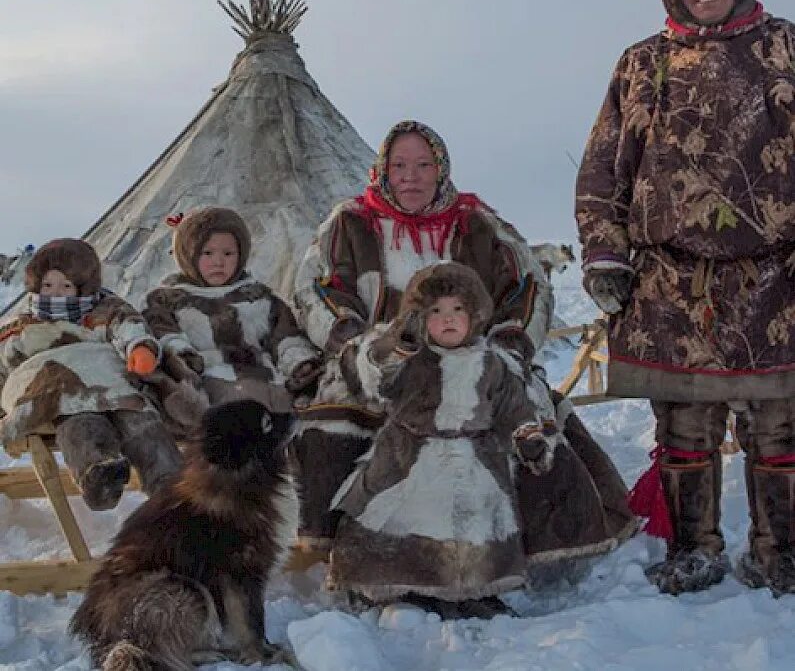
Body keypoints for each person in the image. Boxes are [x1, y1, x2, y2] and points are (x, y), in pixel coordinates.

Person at [293, 119, 635, 570]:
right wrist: (361, 347)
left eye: (422, 164)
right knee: (333, 417)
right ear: (382, 170)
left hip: (472, 363)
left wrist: (505, 350)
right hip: (383, 364)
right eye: (399, 165)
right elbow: (317, 290)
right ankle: (351, 546)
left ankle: (525, 547)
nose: (410, 176)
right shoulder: (349, 223)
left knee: (521, 406)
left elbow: (527, 289)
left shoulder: (478, 223)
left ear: (441, 168)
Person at [576, 0, 795, 596]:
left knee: (779, 429)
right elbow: (604, 167)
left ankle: (779, 552)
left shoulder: (784, 50)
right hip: (672, 287)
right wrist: (604, 254)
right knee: (684, 431)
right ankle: (693, 550)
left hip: (775, 283)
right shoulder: (643, 63)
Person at [328, 262, 560, 618]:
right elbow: (377, 377)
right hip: (410, 456)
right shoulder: (412, 358)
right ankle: (406, 584)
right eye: (435, 311)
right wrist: (397, 344)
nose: (447, 319)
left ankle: (472, 589)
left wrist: (527, 436)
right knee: (404, 519)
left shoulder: (492, 363)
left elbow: (514, 408)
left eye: (458, 310)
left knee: (475, 523)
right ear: (419, 318)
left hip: (475, 457)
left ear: (476, 314)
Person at [0, 238, 182, 510]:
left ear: (83, 286)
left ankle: (172, 483)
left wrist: (139, 348)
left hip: (113, 386)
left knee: (141, 423)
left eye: (66, 286)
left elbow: (129, 326)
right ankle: (98, 472)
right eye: (48, 286)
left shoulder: (104, 311)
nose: (56, 293)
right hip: (59, 394)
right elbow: (4, 363)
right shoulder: (22, 325)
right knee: (80, 426)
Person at [143, 207, 321, 433]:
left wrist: (299, 361)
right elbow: (164, 333)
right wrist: (183, 356)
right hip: (209, 380)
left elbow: (284, 335)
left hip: (267, 378)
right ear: (188, 255)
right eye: (207, 254)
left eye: (228, 254)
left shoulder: (259, 296)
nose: (218, 262)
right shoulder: (170, 300)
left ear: (241, 255)